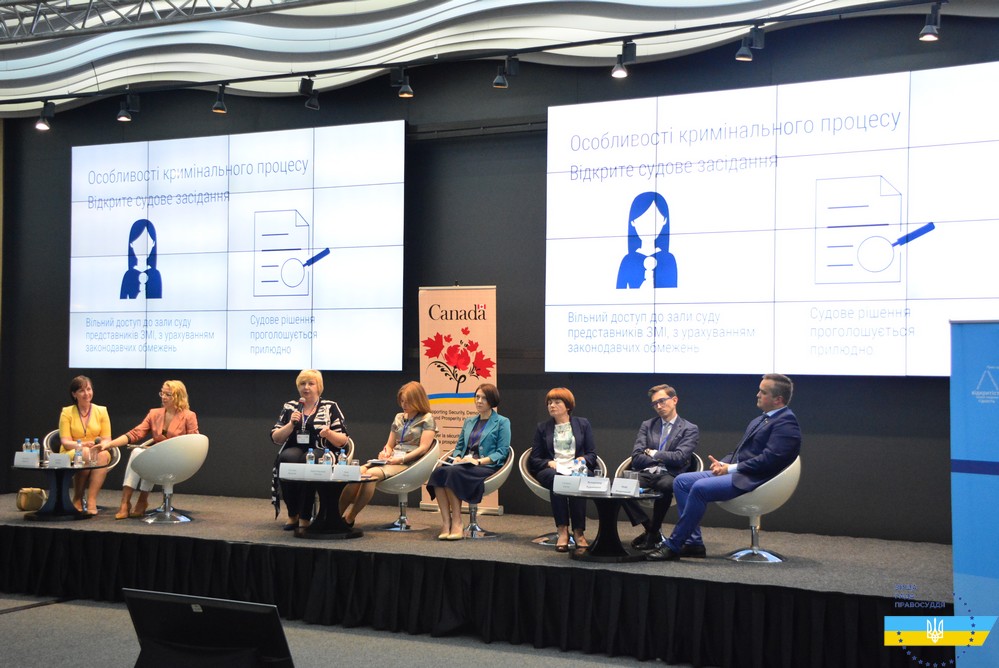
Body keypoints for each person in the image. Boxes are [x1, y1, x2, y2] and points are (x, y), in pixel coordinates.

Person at [647, 373, 801, 561]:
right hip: (742, 472)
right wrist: (722, 464)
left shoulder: (786, 422)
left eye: (763, 392)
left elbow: (769, 460)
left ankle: (674, 545)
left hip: (757, 479)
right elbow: (740, 452)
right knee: (681, 482)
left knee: (700, 488)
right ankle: (693, 544)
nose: (757, 395)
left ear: (778, 399)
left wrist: (731, 468)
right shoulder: (761, 419)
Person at [339, 381, 436, 527]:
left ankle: (349, 518)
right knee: (356, 473)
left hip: (410, 463)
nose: (404, 405)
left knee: (370, 475)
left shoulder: (427, 419)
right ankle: (335, 515)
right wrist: (385, 453)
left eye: (408, 401)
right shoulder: (399, 417)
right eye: (402, 401)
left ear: (417, 400)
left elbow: (423, 448)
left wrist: (401, 459)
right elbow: (390, 445)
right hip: (392, 460)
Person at [102, 380, 199, 520]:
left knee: (151, 454)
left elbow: (193, 441)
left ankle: (142, 499)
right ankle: (125, 502)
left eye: (168, 394)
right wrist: (110, 444)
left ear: (178, 397)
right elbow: (135, 433)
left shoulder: (189, 416)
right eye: (162, 393)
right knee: (137, 452)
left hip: (176, 460)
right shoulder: (154, 414)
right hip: (156, 457)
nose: (163, 397)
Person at [426, 383, 511, 540]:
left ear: (492, 400)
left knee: (452, 472)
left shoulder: (502, 422)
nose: (479, 401)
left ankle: (457, 521)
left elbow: (502, 452)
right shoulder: (469, 421)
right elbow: (459, 447)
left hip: (485, 466)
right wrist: (458, 456)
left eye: (483, 398)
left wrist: (479, 462)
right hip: (464, 464)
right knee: (438, 472)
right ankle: (446, 522)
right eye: (477, 397)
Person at [269, 369, 350, 533]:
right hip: (295, 447)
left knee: (308, 460)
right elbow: (276, 438)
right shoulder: (290, 407)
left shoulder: (329, 406)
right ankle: (293, 513)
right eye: (302, 383)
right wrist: (291, 424)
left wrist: (329, 433)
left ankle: (305, 516)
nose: (306, 387)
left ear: (319, 386)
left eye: (311, 383)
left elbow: (343, 440)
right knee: (286, 459)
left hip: (323, 450)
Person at [620, 384, 699, 550]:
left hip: (670, 474)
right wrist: (661, 459)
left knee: (665, 485)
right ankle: (651, 529)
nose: (658, 406)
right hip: (647, 473)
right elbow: (636, 457)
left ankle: (651, 535)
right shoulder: (648, 425)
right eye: (655, 403)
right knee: (619, 486)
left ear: (674, 400)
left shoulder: (689, 429)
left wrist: (654, 453)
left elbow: (680, 458)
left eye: (662, 401)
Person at [528, 387, 597, 552]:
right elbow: (534, 459)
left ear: (568, 406)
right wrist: (549, 463)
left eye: (557, 402)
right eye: (549, 403)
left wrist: (583, 459)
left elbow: (592, 454)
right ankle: (562, 530)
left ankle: (578, 532)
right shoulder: (542, 428)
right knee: (558, 479)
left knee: (577, 479)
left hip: (575, 468)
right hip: (552, 469)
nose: (552, 405)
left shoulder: (583, 424)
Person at [58, 375, 113, 514]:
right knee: (85, 453)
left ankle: (91, 499)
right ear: (74, 394)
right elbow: (65, 442)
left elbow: (107, 439)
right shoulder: (67, 412)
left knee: (102, 455)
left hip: (96, 450)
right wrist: (82, 445)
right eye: (81, 390)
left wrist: (100, 446)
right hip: (72, 450)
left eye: (89, 389)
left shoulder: (102, 411)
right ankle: (77, 497)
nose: (86, 393)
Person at [615, 191, 678, 289]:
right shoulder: (628, 260)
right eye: (643, 220)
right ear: (633, 222)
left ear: (664, 220)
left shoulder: (668, 259)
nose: (648, 226)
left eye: (653, 219)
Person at [120, 218, 162, 299]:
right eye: (138, 242)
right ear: (131, 244)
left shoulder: (155, 274)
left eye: (146, 242)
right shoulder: (128, 275)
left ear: (153, 243)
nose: (142, 248)